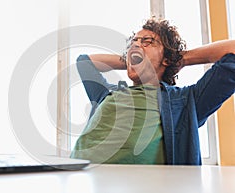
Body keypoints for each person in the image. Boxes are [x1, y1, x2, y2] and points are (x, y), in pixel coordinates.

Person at [70, 18, 235, 165]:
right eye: (133, 42)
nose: (135, 44)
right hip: (76, 178)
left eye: (147, 41)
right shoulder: (107, 94)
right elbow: (84, 62)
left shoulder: (185, 100)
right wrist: (129, 58)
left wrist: (181, 58)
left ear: (167, 59)